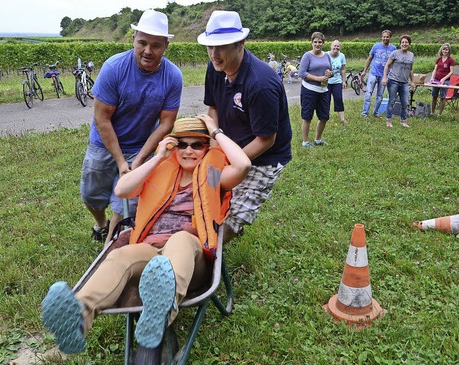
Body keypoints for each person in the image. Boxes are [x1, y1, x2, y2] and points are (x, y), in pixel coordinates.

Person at [42, 116, 251, 364]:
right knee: (120, 256)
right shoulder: (161, 168)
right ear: (173, 145)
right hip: (151, 249)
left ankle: (162, 312)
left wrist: (215, 131)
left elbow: (243, 165)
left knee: (181, 239)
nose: (189, 150)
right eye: (182, 144)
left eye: (197, 145)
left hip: (190, 255)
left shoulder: (213, 175)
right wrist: (159, 156)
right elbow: (122, 189)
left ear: (207, 148)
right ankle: (77, 318)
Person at [80, 10, 183, 244]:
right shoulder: (114, 68)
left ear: (166, 46)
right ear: (133, 39)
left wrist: (138, 161)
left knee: (125, 202)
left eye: (156, 45)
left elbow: (166, 122)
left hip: (141, 146)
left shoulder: (173, 76)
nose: (148, 50)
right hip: (103, 144)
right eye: (143, 43)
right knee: (91, 196)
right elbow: (102, 118)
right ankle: (101, 223)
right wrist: (119, 161)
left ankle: (109, 252)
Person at [197, 10, 293, 242]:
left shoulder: (261, 83)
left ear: (240, 43)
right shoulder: (215, 67)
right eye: (210, 46)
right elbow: (214, 109)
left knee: (231, 219)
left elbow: (266, 139)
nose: (214, 54)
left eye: (221, 47)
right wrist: (215, 153)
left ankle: (216, 248)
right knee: (210, 192)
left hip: (263, 157)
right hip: (228, 145)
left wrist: (233, 162)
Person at [298, 31, 334, 147]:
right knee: (307, 117)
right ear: (312, 43)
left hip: (323, 91)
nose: (317, 44)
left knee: (324, 116)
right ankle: (305, 141)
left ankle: (318, 140)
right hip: (309, 90)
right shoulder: (307, 56)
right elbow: (302, 73)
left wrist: (330, 74)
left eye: (320, 42)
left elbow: (331, 70)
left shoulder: (327, 55)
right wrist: (318, 78)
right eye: (315, 42)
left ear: (323, 43)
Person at [361, 30, 396, 118]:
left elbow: (394, 63)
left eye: (387, 37)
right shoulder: (376, 46)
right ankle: (365, 113)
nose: (385, 38)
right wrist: (364, 71)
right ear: (381, 37)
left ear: (390, 38)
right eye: (384, 36)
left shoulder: (393, 48)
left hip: (384, 75)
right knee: (368, 93)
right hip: (373, 73)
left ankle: (375, 112)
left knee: (380, 96)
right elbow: (369, 59)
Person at [382, 34, 415, 128]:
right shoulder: (395, 53)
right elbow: (387, 65)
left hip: (404, 82)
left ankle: (403, 121)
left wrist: (412, 81)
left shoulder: (411, 55)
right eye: (403, 42)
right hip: (393, 81)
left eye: (406, 42)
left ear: (409, 44)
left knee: (405, 102)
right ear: (400, 44)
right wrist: (384, 77)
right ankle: (388, 120)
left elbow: (411, 69)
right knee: (391, 101)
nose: (404, 44)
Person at [429, 43, 456, 117]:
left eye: (447, 49)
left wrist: (444, 79)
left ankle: (439, 114)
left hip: (445, 81)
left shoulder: (451, 60)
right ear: (441, 50)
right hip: (436, 80)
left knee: (442, 97)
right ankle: (432, 112)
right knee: (434, 96)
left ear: (449, 51)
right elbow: (435, 69)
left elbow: (451, 72)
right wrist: (432, 77)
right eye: (444, 49)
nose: (445, 51)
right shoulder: (438, 59)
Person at [327, 40, 348, 125]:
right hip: (327, 82)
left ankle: (342, 119)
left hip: (337, 81)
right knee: (326, 100)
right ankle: (325, 117)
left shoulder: (342, 56)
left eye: (338, 46)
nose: (336, 47)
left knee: (338, 99)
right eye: (334, 46)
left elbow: (343, 69)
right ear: (331, 47)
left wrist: (344, 81)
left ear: (340, 48)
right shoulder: (326, 55)